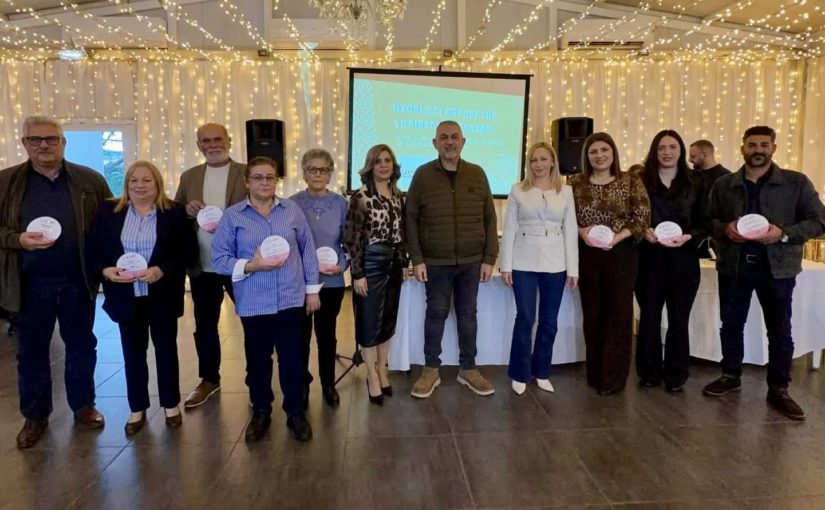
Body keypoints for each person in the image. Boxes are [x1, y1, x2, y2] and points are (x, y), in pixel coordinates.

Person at [0, 115, 112, 448]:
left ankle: (83, 406)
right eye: (36, 140)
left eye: (51, 139)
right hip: (29, 284)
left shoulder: (90, 180)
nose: (44, 145)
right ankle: (35, 416)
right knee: (31, 352)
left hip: (78, 281)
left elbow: (111, 222)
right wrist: (17, 239)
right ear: (24, 143)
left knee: (82, 346)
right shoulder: (5, 182)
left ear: (63, 142)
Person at [702, 125, 825, 420]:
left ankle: (779, 388)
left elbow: (819, 221)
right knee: (731, 325)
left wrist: (783, 233)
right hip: (734, 266)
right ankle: (730, 375)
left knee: (780, 329)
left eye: (763, 145)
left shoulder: (796, 183)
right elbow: (708, 220)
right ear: (742, 148)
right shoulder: (724, 184)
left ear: (774, 148)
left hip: (778, 268)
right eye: (752, 145)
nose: (758, 150)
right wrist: (724, 230)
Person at [211, 157, 321, 442]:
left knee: (292, 359)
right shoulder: (233, 216)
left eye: (270, 177)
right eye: (258, 177)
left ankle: (295, 412)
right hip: (254, 301)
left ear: (276, 181)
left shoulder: (291, 211)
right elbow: (219, 259)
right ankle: (261, 411)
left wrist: (312, 290)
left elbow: (307, 250)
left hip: (290, 299)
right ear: (247, 181)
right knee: (258, 361)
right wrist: (252, 265)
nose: (264, 182)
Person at [88, 161, 196, 435]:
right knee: (132, 354)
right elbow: (93, 248)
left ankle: (170, 404)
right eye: (133, 180)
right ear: (126, 185)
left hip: (162, 295)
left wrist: (162, 270)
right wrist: (105, 270)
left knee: (166, 351)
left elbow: (188, 251)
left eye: (147, 180)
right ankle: (137, 408)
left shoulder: (174, 212)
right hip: (126, 296)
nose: (139, 186)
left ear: (157, 183)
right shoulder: (109, 212)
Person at [406, 120, 498, 399]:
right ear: (435, 143)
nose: (449, 142)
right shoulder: (422, 175)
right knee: (435, 314)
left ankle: (468, 368)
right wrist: (417, 259)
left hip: (471, 262)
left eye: (454, 137)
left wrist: (489, 257)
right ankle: (430, 369)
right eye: (444, 137)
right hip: (435, 262)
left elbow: (490, 217)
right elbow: (410, 219)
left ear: (463, 142)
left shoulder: (477, 173)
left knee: (468, 315)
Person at [570, 132, 650, 396]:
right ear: (587, 156)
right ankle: (595, 374)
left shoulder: (631, 180)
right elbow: (567, 217)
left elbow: (642, 216)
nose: (599, 155)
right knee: (592, 314)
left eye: (604, 150)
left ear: (613, 152)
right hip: (588, 254)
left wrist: (618, 237)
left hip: (621, 253)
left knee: (618, 315)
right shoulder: (575, 183)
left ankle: (613, 379)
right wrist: (582, 232)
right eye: (593, 151)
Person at [175, 123, 247, 409]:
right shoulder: (189, 176)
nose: (213, 144)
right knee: (205, 325)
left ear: (229, 141)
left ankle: (257, 378)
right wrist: (186, 211)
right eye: (206, 141)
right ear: (199, 145)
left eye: (218, 139)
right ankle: (208, 379)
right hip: (203, 265)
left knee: (253, 321)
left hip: (240, 264)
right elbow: (176, 214)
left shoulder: (247, 172)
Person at [500, 142, 578, 395]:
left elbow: (570, 230)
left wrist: (573, 269)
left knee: (549, 321)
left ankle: (542, 371)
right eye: (534, 160)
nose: (539, 164)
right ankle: (520, 373)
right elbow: (509, 229)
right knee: (525, 317)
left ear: (553, 161)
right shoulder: (518, 190)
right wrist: (505, 265)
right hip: (523, 261)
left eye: (544, 159)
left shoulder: (565, 192)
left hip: (556, 263)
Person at [636, 130, 704, 393]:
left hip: (683, 260)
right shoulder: (640, 180)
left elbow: (705, 220)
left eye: (672, 147)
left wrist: (689, 235)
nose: (666, 152)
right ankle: (649, 371)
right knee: (649, 316)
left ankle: (676, 373)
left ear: (681, 150)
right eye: (661, 147)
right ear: (654, 151)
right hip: (649, 259)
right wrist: (643, 230)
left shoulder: (696, 182)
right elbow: (632, 214)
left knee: (679, 318)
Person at [344, 144, 406, 406]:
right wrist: (358, 273)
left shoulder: (399, 196)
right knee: (369, 322)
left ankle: (382, 370)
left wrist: (404, 262)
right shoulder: (360, 197)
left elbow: (402, 233)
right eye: (378, 161)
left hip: (394, 264)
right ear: (370, 166)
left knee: (387, 322)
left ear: (393, 165)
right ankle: (371, 375)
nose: (383, 165)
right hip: (370, 264)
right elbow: (352, 239)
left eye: (387, 160)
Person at [290, 148, 348, 408]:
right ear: (304, 172)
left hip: (332, 281)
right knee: (300, 337)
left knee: (327, 336)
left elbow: (349, 242)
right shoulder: (291, 204)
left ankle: (328, 383)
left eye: (323, 169)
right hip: (300, 282)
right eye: (312, 169)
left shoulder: (341, 204)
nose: (317, 174)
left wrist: (342, 265)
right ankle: (302, 384)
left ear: (330, 173)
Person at [689, 139, 731, 258]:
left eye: (693, 156)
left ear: (704, 155)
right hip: (691, 238)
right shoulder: (691, 177)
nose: (689, 160)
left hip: (715, 239)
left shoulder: (726, 179)